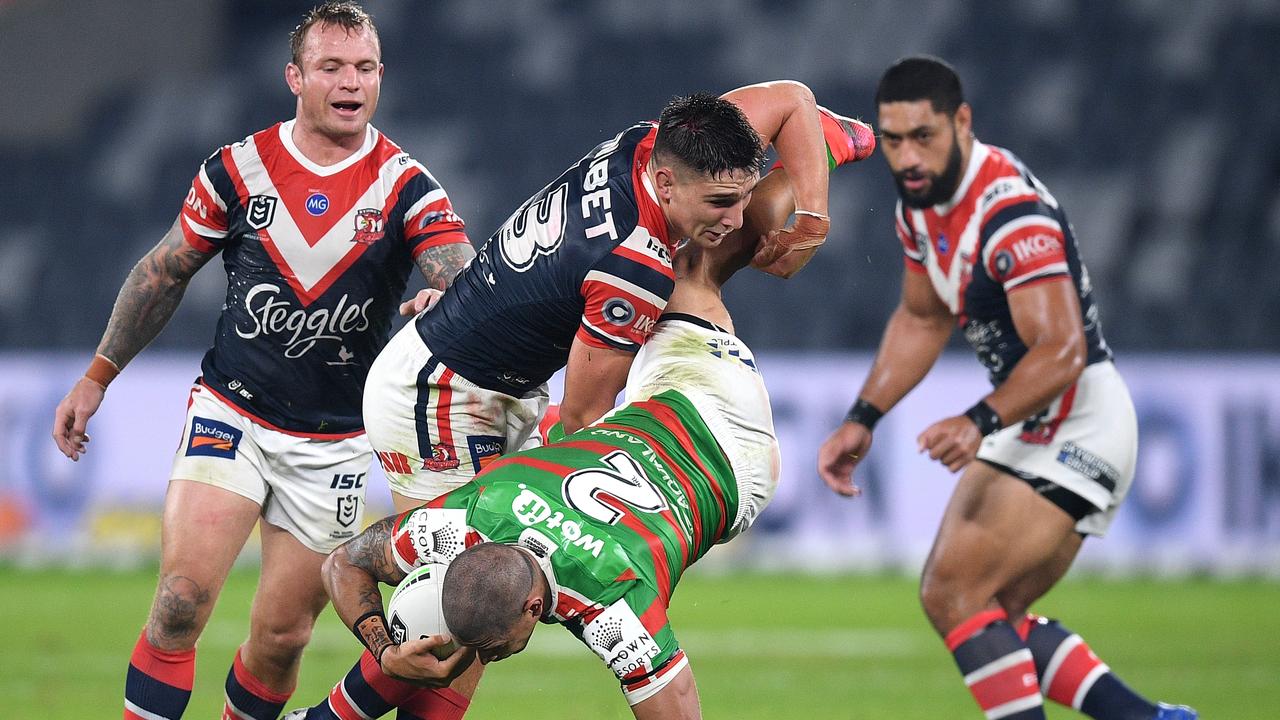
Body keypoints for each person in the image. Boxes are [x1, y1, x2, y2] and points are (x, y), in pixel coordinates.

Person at [49, 4, 475, 719]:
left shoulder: (407, 186)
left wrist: (450, 302)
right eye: (332, 67)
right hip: (232, 411)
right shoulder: (239, 169)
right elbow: (164, 272)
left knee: (282, 638)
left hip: (334, 440)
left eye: (365, 68)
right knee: (180, 602)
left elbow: (461, 274)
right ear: (295, 77)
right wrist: (98, 376)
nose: (351, 82)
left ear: (380, 77)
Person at [283, 165, 819, 720]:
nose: (489, 658)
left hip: (731, 460)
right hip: (684, 412)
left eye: (494, 650)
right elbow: (342, 564)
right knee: (692, 270)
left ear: (535, 608)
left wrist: (382, 644)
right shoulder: (479, 506)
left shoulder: (613, 604)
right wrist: (387, 650)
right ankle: (813, 154)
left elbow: (342, 563)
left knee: (687, 269)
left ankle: (803, 137)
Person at [816, 56, 1197, 720]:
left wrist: (978, 421)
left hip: (1080, 420)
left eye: (923, 136)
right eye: (894, 138)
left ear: (962, 122)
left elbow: (1063, 349)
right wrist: (864, 415)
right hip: (1036, 421)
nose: (907, 157)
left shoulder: (1010, 213)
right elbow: (921, 316)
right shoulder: (922, 206)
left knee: (956, 591)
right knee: (977, 606)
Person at [363, 80, 877, 518]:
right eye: (721, 202)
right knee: (451, 606)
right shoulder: (632, 271)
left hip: (488, 366)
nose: (738, 218)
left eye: (745, 197)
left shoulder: (660, 142)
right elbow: (584, 421)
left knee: (486, 611)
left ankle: (817, 150)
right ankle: (821, 148)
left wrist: (812, 221)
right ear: (667, 183)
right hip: (439, 399)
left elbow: (790, 98)